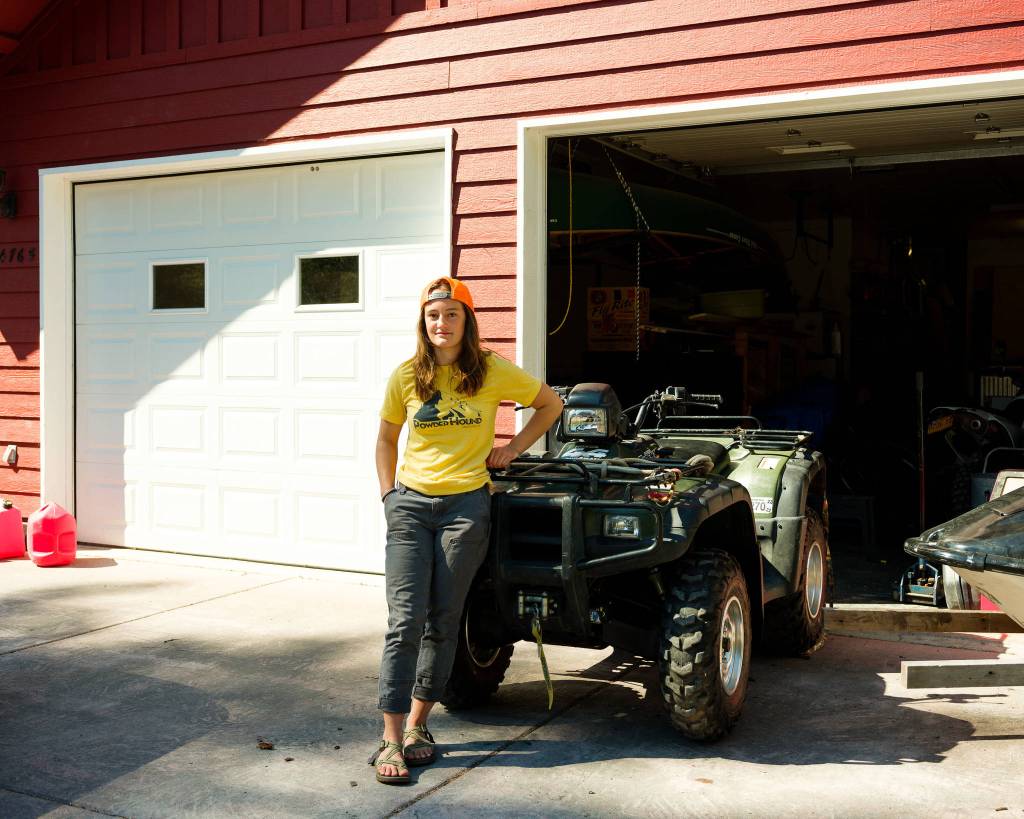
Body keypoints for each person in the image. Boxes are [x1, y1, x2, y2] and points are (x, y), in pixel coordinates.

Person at [369, 276, 563, 785]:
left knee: (444, 619)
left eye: (451, 314)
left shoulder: (492, 371)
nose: (441, 323)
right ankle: (388, 737)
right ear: (423, 322)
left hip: (465, 509)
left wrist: (511, 450)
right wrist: (390, 497)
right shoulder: (407, 376)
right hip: (410, 507)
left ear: (467, 320)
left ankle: (417, 728)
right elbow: (386, 440)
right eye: (433, 315)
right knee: (403, 621)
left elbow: (550, 405)